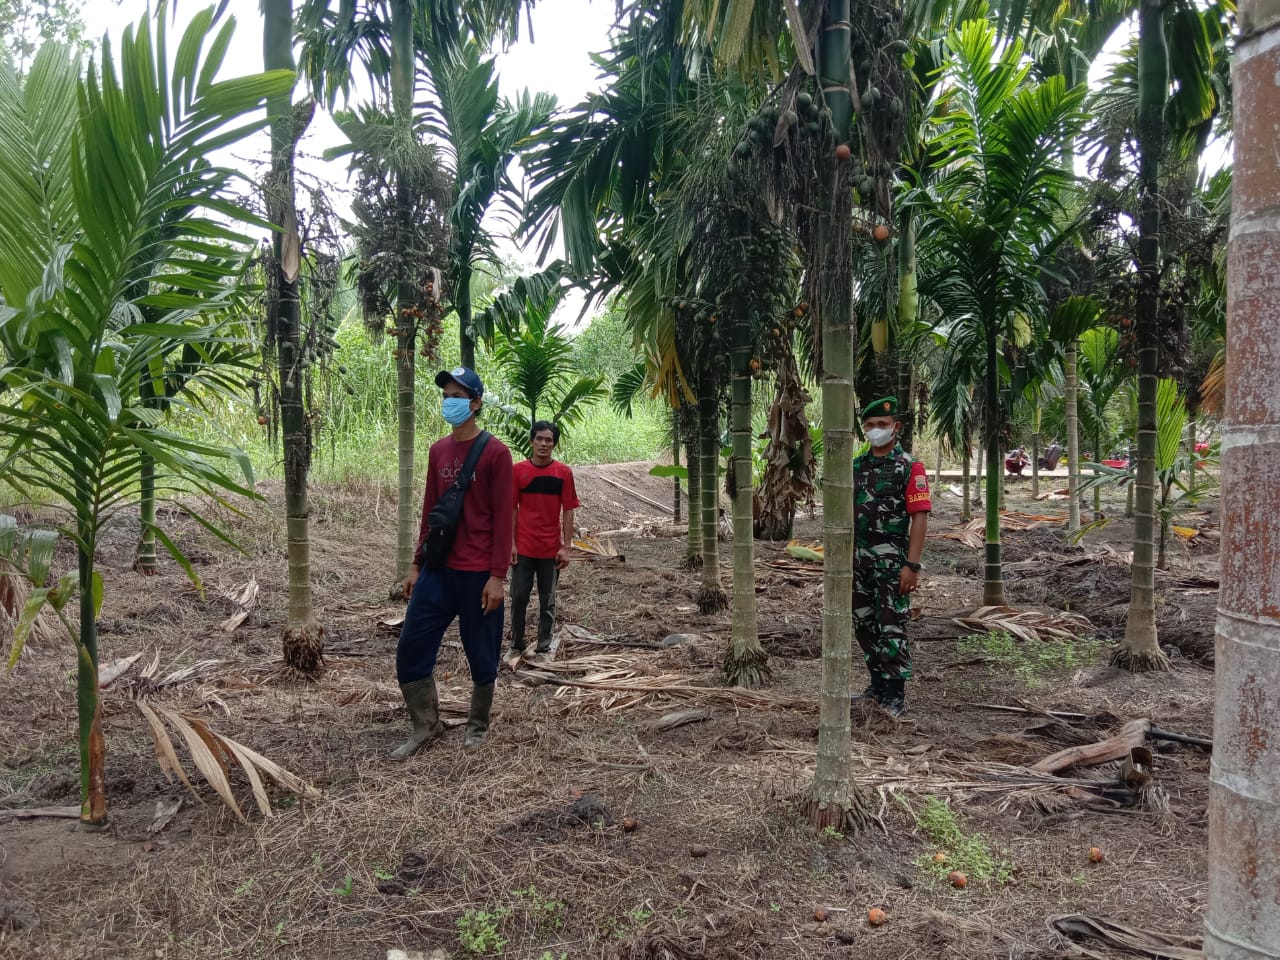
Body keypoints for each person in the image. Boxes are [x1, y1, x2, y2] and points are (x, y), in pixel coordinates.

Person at [391, 366, 513, 759]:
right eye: (446, 395)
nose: (449, 402)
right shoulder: (438, 451)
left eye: (457, 397)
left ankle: (477, 725)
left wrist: (497, 576)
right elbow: (431, 510)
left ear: (476, 404)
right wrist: (415, 564)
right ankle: (425, 725)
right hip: (438, 570)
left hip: (478, 572)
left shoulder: (496, 453)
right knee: (412, 645)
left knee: (481, 651)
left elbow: (503, 517)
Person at [851, 396, 931, 717]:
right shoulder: (856, 467)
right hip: (858, 563)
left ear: (895, 428)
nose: (875, 431)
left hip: (893, 564)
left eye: (881, 425)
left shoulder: (910, 468)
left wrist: (912, 565)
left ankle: (895, 695)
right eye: (869, 426)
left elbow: (920, 516)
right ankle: (877, 684)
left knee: (892, 626)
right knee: (863, 624)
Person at [509, 421, 580, 658]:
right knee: (518, 597)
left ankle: (543, 645)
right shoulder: (518, 471)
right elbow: (512, 509)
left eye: (548, 440)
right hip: (524, 548)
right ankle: (516, 644)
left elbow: (569, 509)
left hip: (550, 550)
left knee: (547, 601)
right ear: (531, 441)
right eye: (539, 438)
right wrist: (511, 544)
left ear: (554, 444)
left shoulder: (563, 473)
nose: (543, 444)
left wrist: (566, 547)